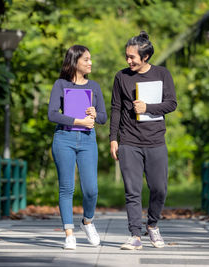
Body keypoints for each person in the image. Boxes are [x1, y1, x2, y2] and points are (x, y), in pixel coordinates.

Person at [109, 31, 177, 250]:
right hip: (129, 140)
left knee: (159, 188)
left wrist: (148, 108)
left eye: (133, 57)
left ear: (145, 56)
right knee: (132, 190)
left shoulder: (162, 74)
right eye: (127, 56)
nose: (128, 61)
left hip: (156, 140)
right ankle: (135, 235)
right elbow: (116, 108)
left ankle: (153, 225)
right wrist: (113, 139)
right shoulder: (121, 77)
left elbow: (171, 103)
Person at [48, 45, 107, 250]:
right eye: (86, 59)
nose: (90, 63)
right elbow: (52, 114)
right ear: (75, 62)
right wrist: (78, 121)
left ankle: (87, 222)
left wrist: (94, 113)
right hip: (64, 138)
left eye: (91, 59)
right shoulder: (60, 85)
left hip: (88, 141)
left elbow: (103, 117)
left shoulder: (95, 87)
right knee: (66, 188)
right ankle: (69, 233)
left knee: (91, 190)